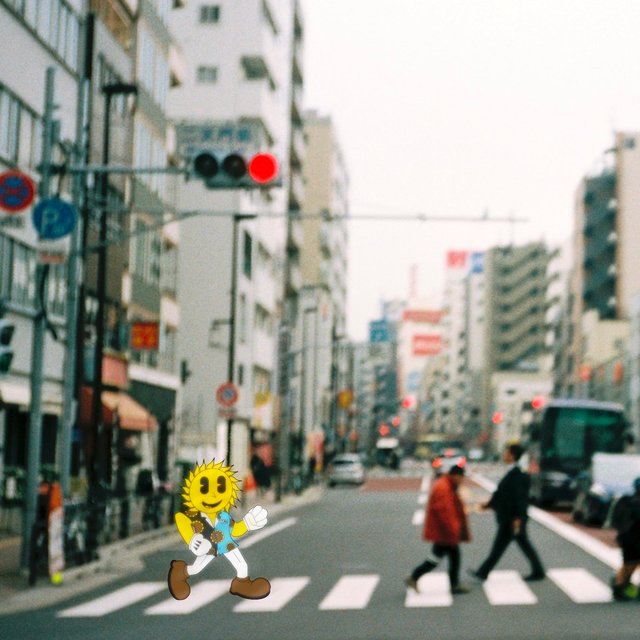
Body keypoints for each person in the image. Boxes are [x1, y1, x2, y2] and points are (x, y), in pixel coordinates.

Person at [469, 442, 545, 582]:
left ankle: (483, 572)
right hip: (509, 517)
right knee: (521, 544)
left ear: (512, 455)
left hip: (511, 518)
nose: (504, 455)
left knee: (500, 547)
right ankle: (538, 571)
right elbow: (502, 493)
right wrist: (489, 505)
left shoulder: (519, 474)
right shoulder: (513, 472)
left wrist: (517, 518)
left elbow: (520, 499)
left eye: (507, 453)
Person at [405, 464, 471, 595]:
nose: (462, 481)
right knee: (440, 558)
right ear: (455, 476)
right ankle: (415, 576)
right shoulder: (443, 487)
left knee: (445, 557)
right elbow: (445, 513)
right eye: (461, 478)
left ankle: (452, 583)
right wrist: (454, 530)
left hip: (444, 531)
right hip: (444, 532)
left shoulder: (446, 484)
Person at [610, 477, 640, 601]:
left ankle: (619, 587)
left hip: (625, 539)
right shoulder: (635, 503)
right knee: (631, 564)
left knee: (628, 564)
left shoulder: (626, 500)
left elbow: (615, 521)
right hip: (635, 539)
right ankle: (621, 587)